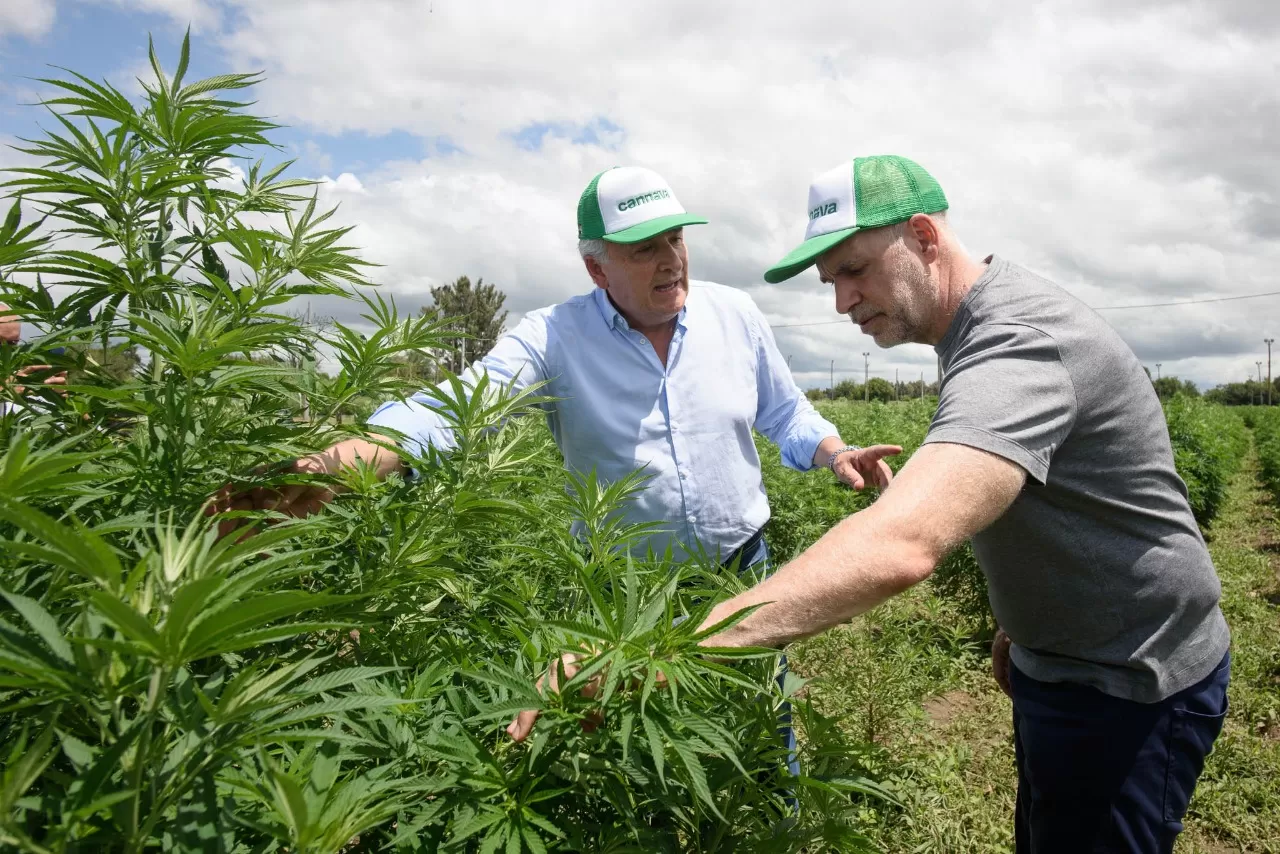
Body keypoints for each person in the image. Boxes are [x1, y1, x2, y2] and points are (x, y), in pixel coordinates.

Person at [509, 155, 1230, 854]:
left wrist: (651, 655)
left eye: (854, 270)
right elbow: (1044, 493)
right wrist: (1030, 619)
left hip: (1133, 678)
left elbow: (902, 542)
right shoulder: (974, 329)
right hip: (1063, 658)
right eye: (831, 280)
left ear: (923, 236)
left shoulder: (1017, 344)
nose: (841, 301)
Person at [210, 166, 902, 774]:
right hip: (624, 587)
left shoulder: (736, 314)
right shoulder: (552, 336)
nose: (670, 261)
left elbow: (786, 414)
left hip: (740, 565)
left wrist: (835, 452)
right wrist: (337, 465)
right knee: (645, 746)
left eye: (675, 240)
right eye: (643, 250)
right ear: (597, 269)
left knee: (759, 725)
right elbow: (456, 406)